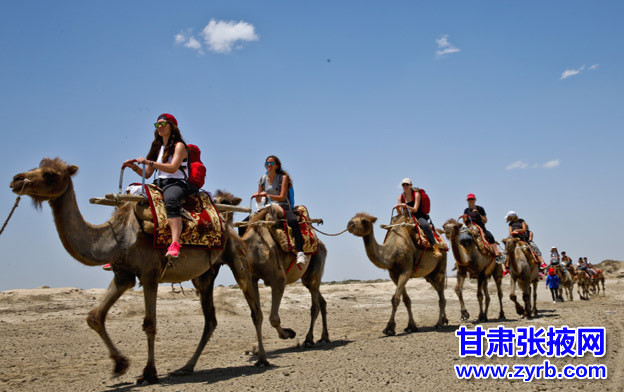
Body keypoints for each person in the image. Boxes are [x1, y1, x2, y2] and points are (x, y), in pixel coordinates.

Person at [123, 113, 191, 258]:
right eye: (157, 125)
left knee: (171, 200)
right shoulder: (157, 147)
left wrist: (150, 163)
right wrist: (133, 167)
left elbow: (172, 168)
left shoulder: (179, 146)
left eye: (163, 124)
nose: (159, 127)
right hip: (159, 183)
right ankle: (122, 247)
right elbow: (147, 174)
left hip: (176, 183)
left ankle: (175, 243)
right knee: (129, 194)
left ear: (172, 127)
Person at [253, 155, 307, 265]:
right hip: (267, 208)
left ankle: (300, 252)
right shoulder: (262, 179)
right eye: (267, 163)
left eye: (271, 163)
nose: (269, 165)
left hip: (282, 206)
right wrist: (257, 196)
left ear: (277, 166)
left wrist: (266, 195)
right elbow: (259, 200)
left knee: (293, 221)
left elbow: (282, 197)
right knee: (245, 224)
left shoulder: (283, 178)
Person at [395, 178, 441, 257]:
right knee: (393, 226)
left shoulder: (416, 194)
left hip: (418, 215)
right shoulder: (400, 197)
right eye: (403, 185)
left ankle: (435, 247)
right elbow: (400, 213)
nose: (405, 186)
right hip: (406, 216)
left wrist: (406, 206)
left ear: (411, 185)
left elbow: (415, 209)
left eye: (407, 184)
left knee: (425, 225)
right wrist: (397, 208)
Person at [462, 193, 504, 263]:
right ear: (467, 200)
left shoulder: (480, 208)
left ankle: (497, 254)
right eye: (469, 199)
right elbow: (465, 221)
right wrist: (464, 218)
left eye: (472, 199)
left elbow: (485, 220)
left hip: (480, 228)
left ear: (475, 200)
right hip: (470, 228)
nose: (471, 200)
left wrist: (478, 213)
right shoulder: (466, 210)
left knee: (490, 236)